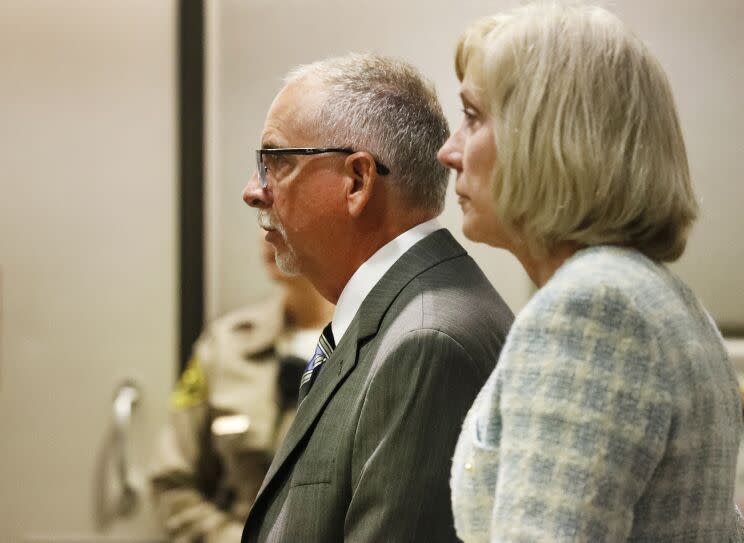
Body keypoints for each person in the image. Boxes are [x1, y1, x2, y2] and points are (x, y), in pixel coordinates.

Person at [438, 4, 744, 542]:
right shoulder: (656, 296)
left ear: (548, 134)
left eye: (473, 116)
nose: (449, 152)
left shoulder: (591, 308)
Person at [241, 53, 513, 542]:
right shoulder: (398, 316)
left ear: (358, 181)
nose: (254, 191)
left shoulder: (426, 342)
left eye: (276, 162)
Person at [148, 233, 333, 543]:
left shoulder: (379, 342)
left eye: (284, 201)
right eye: (264, 210)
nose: (266, 229)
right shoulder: (226, 346)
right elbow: (172, 482)